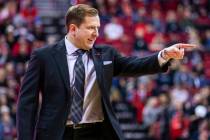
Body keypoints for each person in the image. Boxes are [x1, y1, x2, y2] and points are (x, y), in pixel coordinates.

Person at [16, 4, 196, 140]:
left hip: (97, 132)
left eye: (98, 28)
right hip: (57, 133)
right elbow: (27, 103)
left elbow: (134, 65)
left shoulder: (106, 53)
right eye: (90, 28)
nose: (96, 33)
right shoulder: (44, 56)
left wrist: (163, 54)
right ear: (73, 29)